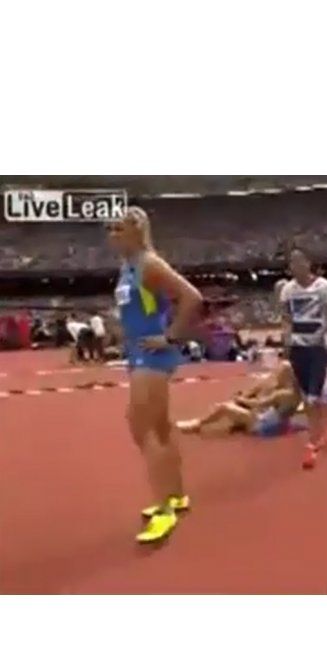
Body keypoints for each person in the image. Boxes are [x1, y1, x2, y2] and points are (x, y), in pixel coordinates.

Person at [109, 206, 202, 543]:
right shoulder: (128, 266)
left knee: (141, 426)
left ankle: (163, 511)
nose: (112, 235)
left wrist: (171, 336)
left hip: (152, 353)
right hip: (137, 351)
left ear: (138, 230)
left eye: (119, 228)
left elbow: (192, 297)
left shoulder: (149, 263)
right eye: (110, 229)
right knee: (160, 427)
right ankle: (175, 496)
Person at [280, 248, 327, 469]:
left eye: (300, 260)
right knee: (306, 394)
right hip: (298, 347)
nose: (296, 265)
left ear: (309, 263)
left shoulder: (324, 287)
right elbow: (286, 317)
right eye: (292, 262)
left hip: (318, 347)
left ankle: (313, 440)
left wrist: (321, 332)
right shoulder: (288, 289)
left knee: (313, 396)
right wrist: (286, 338)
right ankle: (318, 431)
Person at [177, 358, 299, 435]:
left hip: (261, 426)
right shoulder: (294, 392)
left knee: (225, 407)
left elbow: (259, 404)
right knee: (237, 407)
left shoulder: (283, 393)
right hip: (275, 425)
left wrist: (240, 399)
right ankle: (237, 420)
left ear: (284, 374)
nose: (275, 374)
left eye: (279, 371)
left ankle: (196, 424)